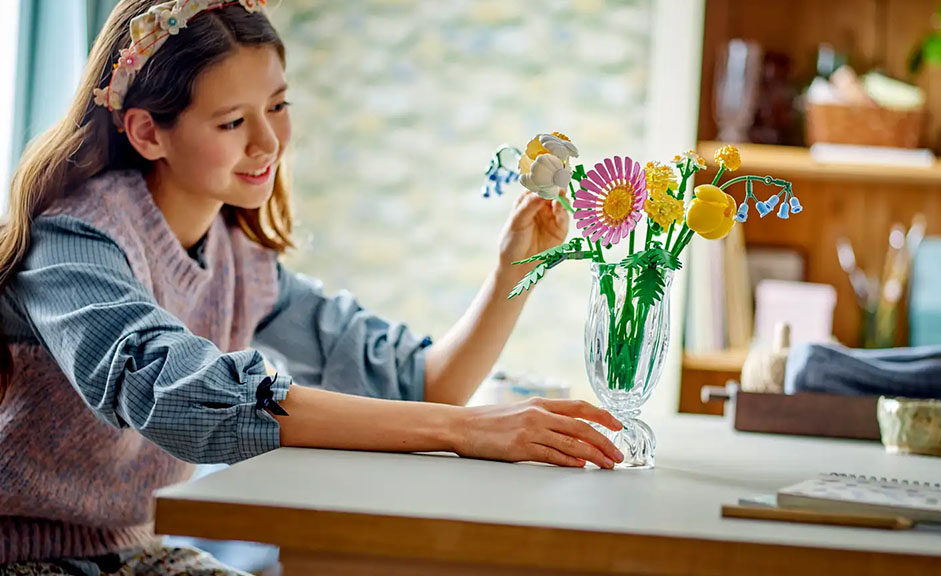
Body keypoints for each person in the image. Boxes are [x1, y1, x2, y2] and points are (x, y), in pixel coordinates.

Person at [0, 1, 624, 573]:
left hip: (132, 554)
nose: (268, 142)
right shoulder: (72, 243)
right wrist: (466, 431)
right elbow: (171, 392)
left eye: (277, 106)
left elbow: (423, 383)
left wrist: (512, 271)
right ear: (146, 132)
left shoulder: (241, 262)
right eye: (232, 122)